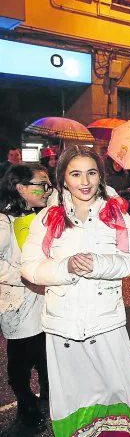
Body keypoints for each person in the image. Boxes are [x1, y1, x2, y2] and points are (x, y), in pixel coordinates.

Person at [20, 146, 130, 437]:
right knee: (76, 396)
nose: (85, 181)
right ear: (63, 181)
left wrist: (98, 264)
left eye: (91, 173)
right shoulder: (47, 218)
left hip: (106, 322)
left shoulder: (116, 214)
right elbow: (30, 267)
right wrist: (65, 268)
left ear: (100, 176)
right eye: (76, 174)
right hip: (63, 327)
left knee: (120, 389)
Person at [0, 164, 52, 430]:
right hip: (18, 304)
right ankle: (26, 406)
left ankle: (48, 398)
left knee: (46, 356)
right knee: (20, 364)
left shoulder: (43, 214)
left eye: (48, 184)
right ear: (20, 188)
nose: (47, 189)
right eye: (41, 184)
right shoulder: (4, 221)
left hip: (44, 301)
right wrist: (29, 274)